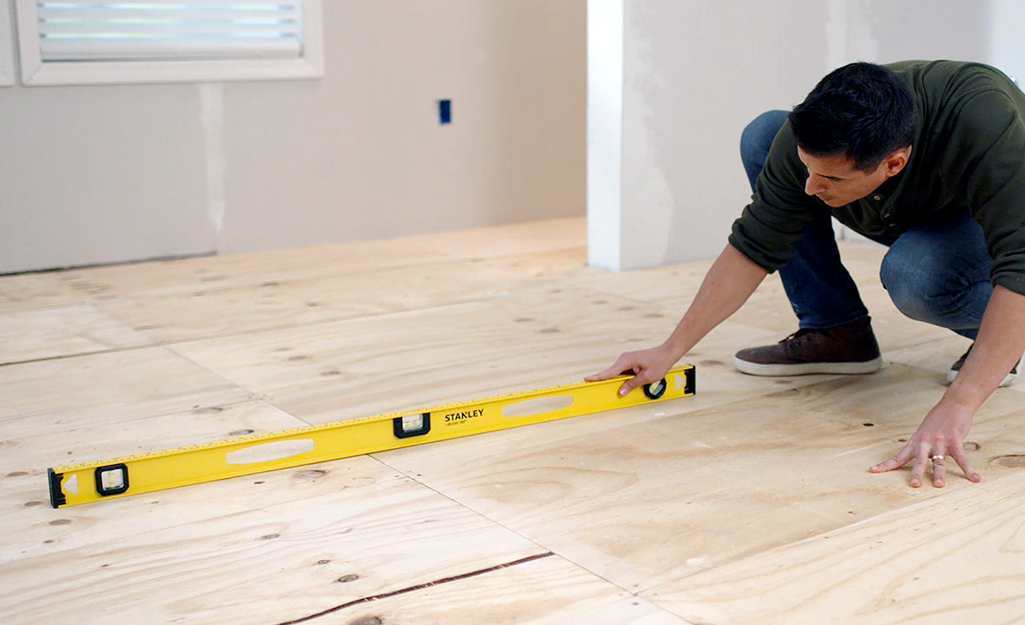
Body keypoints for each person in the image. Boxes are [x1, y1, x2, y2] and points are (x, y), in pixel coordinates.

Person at [587, 60, 1025, 489]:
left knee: (916, 276)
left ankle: (1004, 343)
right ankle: (838, 332)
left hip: (993, 220)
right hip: (917, 208)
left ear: (893, 164)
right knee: (765, 133)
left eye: (828, 177)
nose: (810, 188)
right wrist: (671, 348)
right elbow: (754, 246)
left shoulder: (987, 122)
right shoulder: (823, 146)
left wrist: (959, 403)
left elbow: (1020, 263)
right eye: (808, 168)